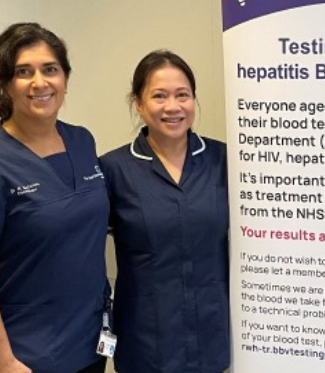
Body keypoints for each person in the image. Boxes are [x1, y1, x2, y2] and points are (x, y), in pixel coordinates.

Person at [0, 23, 109, 373]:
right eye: (23, 72)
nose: (39, 83)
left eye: (50, 70)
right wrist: (5, 360)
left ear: (65, 79)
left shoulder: (82, 142)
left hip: (90, 341)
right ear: (5, 84)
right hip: (29, 355)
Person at [100, 50, 229, 373]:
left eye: (182, 95)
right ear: (138, 104)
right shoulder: (113, 170)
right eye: (159, 96)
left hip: (213, 334)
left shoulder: (223, 161)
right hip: (146, 341)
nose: (173, 107)